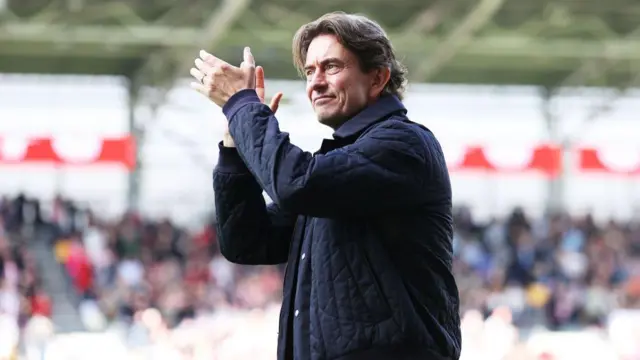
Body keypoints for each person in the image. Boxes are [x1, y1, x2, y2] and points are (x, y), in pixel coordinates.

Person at [190, 11, 461, 360]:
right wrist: (234, 143)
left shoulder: (402, 144)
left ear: (377, 78)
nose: (315, 82)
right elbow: (247, 241)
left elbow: (294, 184)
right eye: (309, 71)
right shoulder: (336, 169)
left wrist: (241, 107)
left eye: (331, 67)